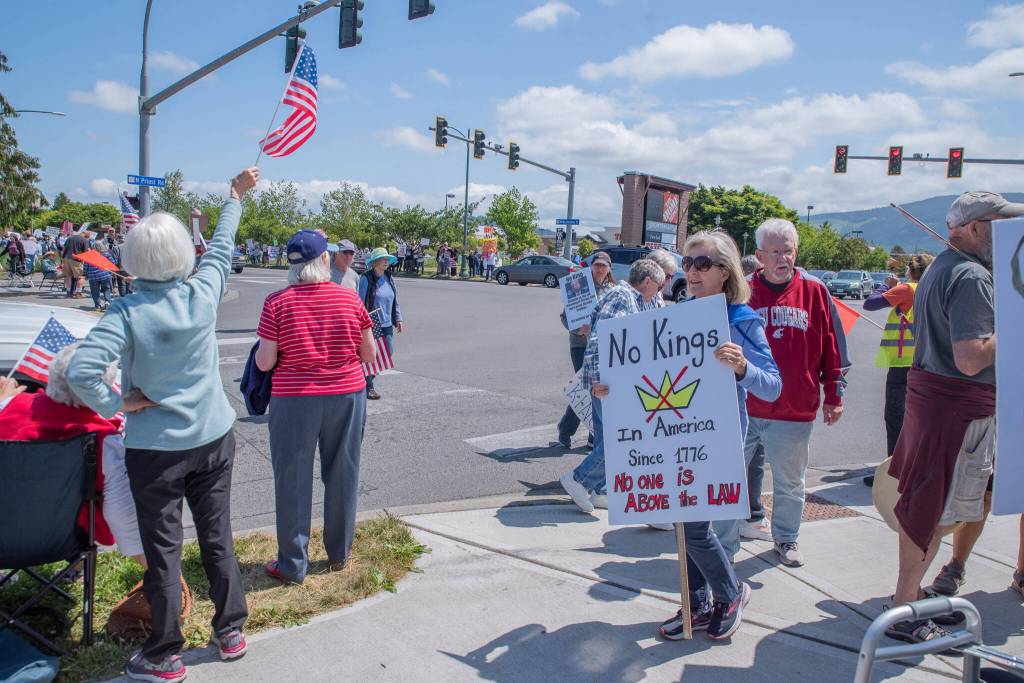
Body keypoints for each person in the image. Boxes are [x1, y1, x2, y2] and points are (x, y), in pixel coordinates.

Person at [67, 167, 260, 681]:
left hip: (155, 449)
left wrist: (117, 405)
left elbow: (83, 370)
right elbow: (222, 245)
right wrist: (235, 195)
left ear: (132, 259)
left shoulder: (127, 312)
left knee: (164, 548)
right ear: (181, 255)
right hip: (214, 435)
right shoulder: (203, 293)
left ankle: (165, 652)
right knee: (218, 535)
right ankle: (231, 631)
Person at [884, 191, 1020, 644]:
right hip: (958, 411)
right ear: (978, 227)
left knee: (929, 508)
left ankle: (908, 599)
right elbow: (970, 357)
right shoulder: (972, 276)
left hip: (936, 404)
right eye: (1000, 225)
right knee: (936, 513)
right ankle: (905, 609)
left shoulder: (942, 266)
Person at [659, 230, 781, 641]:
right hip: (676, 436)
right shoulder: (679, 315)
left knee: (694, 528)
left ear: (726, 273)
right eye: (687, 263)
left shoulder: (743, 321)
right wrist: (616, 390)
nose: (691, 272)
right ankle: (697, 602)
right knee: (684, 523)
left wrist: (744, 367)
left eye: (702, 264)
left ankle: (730, 594)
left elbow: (772, 386)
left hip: (719, 438)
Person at [718, 218, 849, 567]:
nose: (782, 259)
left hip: (793, 409)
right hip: (741, 408)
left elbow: (832, 347)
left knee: (791, 484)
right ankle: (724, 548)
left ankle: (787, 539)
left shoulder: (815, 291)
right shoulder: (739, 291)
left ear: (796, 252)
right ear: (759, 255)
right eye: (774, 252)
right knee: (726, 480)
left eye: (787, 251)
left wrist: (834, 394)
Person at [255, 229, 376, 584]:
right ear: (324, 259)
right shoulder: (350, 300)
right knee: (343, 472)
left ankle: (292, 564)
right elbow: (368, 354)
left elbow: (265, 362)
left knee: (292, 479)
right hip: (347, 393)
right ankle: (339, 554)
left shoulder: (277, 302)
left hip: (293, 398)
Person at [0, 346, 146, 569]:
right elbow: (120, 514)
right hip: (63, 541)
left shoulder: (7, 409)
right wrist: (155, 569)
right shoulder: (104, 440)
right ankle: (76, 569)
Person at [559, 259, 666, 512]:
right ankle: (578, 480)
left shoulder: (630, 298)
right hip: (608, 383)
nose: (660, 292)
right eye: (659, 286)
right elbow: (600, 338)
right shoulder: (622, 297)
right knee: (619, 442)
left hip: (611, 382)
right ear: (648, 281)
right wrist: (599, 380)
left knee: (607, 440)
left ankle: (599, 489)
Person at [861, 254, 933, 487]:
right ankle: (914, 467)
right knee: (917, 419)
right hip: (924, 362)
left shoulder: (907, 289)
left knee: (895, 418)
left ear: (911, 272)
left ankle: (894, 472)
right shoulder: (930, 289)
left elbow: (870, 303)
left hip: (902, 364)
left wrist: (886, 285)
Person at [556, 250, 615, 449]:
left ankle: (592, 435)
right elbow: (565, 317)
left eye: (603, 265)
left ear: (609, 269)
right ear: (591, 266)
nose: (599, 268)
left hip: (602, 347)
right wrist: (577, 329)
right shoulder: (579, 287)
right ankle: (566, 430)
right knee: (586, 387)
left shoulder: (613, 291)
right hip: (580, 345)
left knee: (595, 391)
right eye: (596, 265)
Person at [359, 247, 404, 400]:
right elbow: (360, 301)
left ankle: (365, 381)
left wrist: (398, 318)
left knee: (387, 354)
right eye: (383, 259)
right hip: (372, 322)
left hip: (386, 323)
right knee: (372, 355)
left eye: (387, 259)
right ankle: (368, 386)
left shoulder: (389, 277)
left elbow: (394, 300)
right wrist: (362, 323)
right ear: (375, 262)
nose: (386, 261)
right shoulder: (366, 278)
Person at [84, 245, 115, 311]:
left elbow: (86, 266)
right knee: (106, 289)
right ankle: (107, 303)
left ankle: (97, 306)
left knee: (95, 291)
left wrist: (85, 274)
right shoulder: (106, 254)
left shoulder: (89, 255)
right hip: (104, 274)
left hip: (93, 276)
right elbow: (113, 262)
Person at [61, 227, 88, 298]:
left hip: (66, 258)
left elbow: (63, 249)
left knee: (68, 276)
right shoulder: (84, 240)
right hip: (76, 260)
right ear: (86, 236)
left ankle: (68, 292)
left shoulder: (69, 238)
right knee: (80, 277)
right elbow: (85, 252)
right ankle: (78, 293)